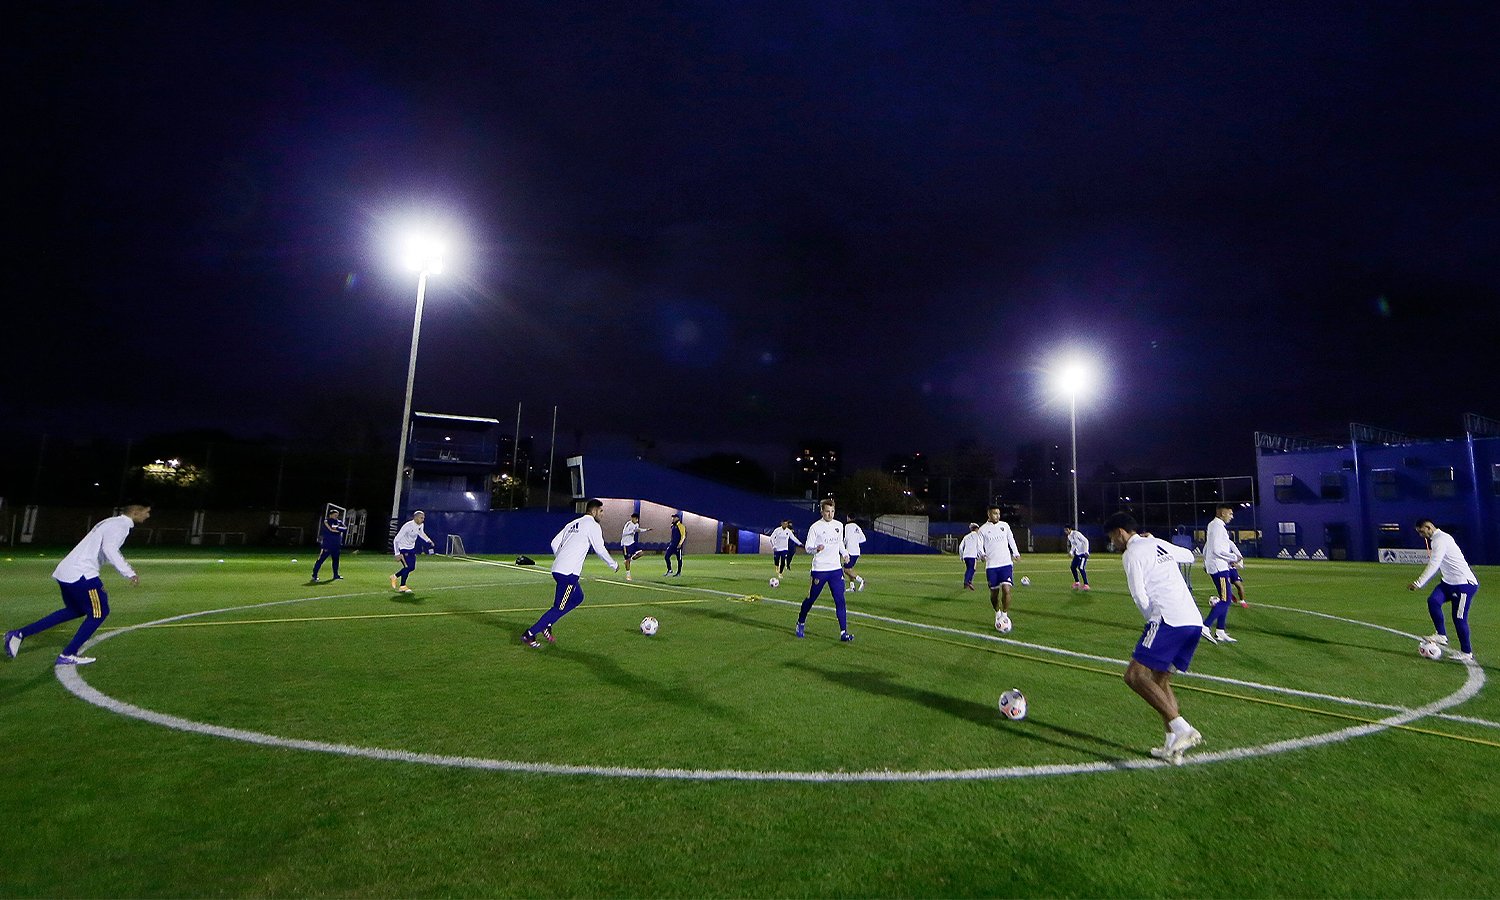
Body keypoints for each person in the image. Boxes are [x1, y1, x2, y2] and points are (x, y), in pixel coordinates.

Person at [1104, 511, 1205, 764]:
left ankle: (1182, 728)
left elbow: (1139, 594)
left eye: (1113, 538)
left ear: (1120, 532)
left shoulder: (1132, 554)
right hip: (1192, 621)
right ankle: (1173, 746)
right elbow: (1189, 556)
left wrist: (1152, 620)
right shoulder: (1157, 543)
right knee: (1160, 680)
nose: (1114, 543)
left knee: (1135, 676)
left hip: (1168, 619)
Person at [5, 504, 152, 666]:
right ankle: (68, 654)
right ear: (136, 512)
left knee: (75, 611)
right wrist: (128, 572)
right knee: (100, 613)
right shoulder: (121, 525)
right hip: (82, 574)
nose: (148, 515)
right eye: (146, 512)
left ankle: (18, 634)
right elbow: (110, 549)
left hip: (67, 571)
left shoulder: (111, 522)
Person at [522, 498, 619, 647]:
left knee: (578, 597)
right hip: (568, 574)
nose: (602, 514)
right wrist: (613, 564)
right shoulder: (592, 525)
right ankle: (530, 634)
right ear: (593, 511)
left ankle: (547, 624)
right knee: (559, 607)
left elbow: (554, 542)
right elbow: (599, 549)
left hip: (558, 569)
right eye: (601, 511)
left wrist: (561, 557)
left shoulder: (572, 523)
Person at [1409, 518, 1479, 662]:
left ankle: (1466, 652)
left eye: (1422, 532)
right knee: (1433, 601)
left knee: (1459, 619)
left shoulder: (1441, 539)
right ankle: (1441, 635)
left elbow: (1435, 563)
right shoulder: (1436, 539)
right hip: (1448, 583)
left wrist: (1418, 582)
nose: (1421, 535)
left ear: (1428, 527)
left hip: (1463, 585)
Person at [795, 498, 853, 642]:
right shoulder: (815, 527)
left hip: (835, 570)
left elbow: (840, 543)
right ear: (821, 511)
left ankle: (843, 633)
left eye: (832, 511)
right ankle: (800, 622)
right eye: (827, 511)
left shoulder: (839, 525)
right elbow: (808, 548)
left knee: (840, 600)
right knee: (811, 599)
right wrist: (816, 549)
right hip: (820, 569)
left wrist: (845, 554)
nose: (830, 514)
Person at [1202, 504, 1246, 644]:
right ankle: (1205, 625)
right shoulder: (1217, 527)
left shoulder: (1214, 526)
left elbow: (1208, 548)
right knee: (1226, 600)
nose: (1231, 516)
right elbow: (1216, 550)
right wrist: (1234, 557)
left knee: (1224, 599)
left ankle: (1220, 631)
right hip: (1219, 568)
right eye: (1230, 514)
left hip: (1219, 566)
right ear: (1222, 513)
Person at [978, 506, 1021, 630]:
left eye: (998, 513)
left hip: (1006, 564)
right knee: (994, 594)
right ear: (989, 514)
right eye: (995, 513)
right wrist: (982, 555)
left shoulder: (1005, 526)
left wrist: (1016, 553)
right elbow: (979, 545)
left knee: (1006, 589)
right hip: (992, 566)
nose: (997, 515)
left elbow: (1011, 539)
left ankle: (1005, 615)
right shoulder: (983, 530)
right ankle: (997, 612)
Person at [391, 510, 435, 593]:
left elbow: (421, 533)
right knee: (408, 567)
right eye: (421, 518)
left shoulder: (421, 525)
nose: (423, 519)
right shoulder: (407, 526)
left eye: (423, 518)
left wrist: (428, 540)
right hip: (403, 548)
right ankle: (402, 586)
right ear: (416, 517)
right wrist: (397, 553)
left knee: (412, 567)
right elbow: (396, 540)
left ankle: (395, 577)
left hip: (411, 548)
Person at [311, 508, 348, 582]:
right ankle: (314, 576)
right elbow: (330, 529)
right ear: (330, 515)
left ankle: (336, 575)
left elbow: (345, 529)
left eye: (337, 515)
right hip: (327, 545)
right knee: (320, 560)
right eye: (334, 515)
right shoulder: (326, 521)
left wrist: (337, 528)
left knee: (336, 560)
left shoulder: (339, 522)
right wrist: (337, 530)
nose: (336, 516)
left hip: (336, 545)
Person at [620, 513, 651, 582]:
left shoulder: (636, 524)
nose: (636, 520)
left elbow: (638, 530)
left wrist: (646, 530)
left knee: (641, 553)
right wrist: (632, 531)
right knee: (627, 559)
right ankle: (628, 575)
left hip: (632, 543)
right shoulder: (628, 524)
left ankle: (630, 560)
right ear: (632, 518)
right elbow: (624, 533)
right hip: (625, 544)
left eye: (637, 519)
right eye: (634, 519)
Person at [843, 515, 867, 592]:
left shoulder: (847, 526)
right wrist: (855, 541)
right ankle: (852, 587)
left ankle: (861, 580)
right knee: (850, 569)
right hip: (857, 551)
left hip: (850, 551)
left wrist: (843, 546)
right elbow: (863, 539)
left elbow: (846, 538)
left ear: (848, 518)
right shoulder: (857, 527)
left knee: (846, 570)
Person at [1064, 524, 1091, 591]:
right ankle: (1077, 582)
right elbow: (1074, 545)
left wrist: (1086, 551)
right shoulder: (1069, 536)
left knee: (1081, 568)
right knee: (1073, 567)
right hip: (1077, 554)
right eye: (1065, 530)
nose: (1066, 531)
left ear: (1070, 529)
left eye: (1067, 530)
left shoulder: (1076, 534)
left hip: (1083, 554)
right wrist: (1071, 552)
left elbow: (1085, 540)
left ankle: (1086, 584)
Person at [958, 522, 982, 591]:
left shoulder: (966, 536)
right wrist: (980, 555)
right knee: (972, 569)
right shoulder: (977, 536)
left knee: (968, 569)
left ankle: (966, 583)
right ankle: (968, 581)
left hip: (966, 555)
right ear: (977, 529)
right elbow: (979, 546)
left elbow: (960, 547)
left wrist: (961, 556)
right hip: (972, 555)